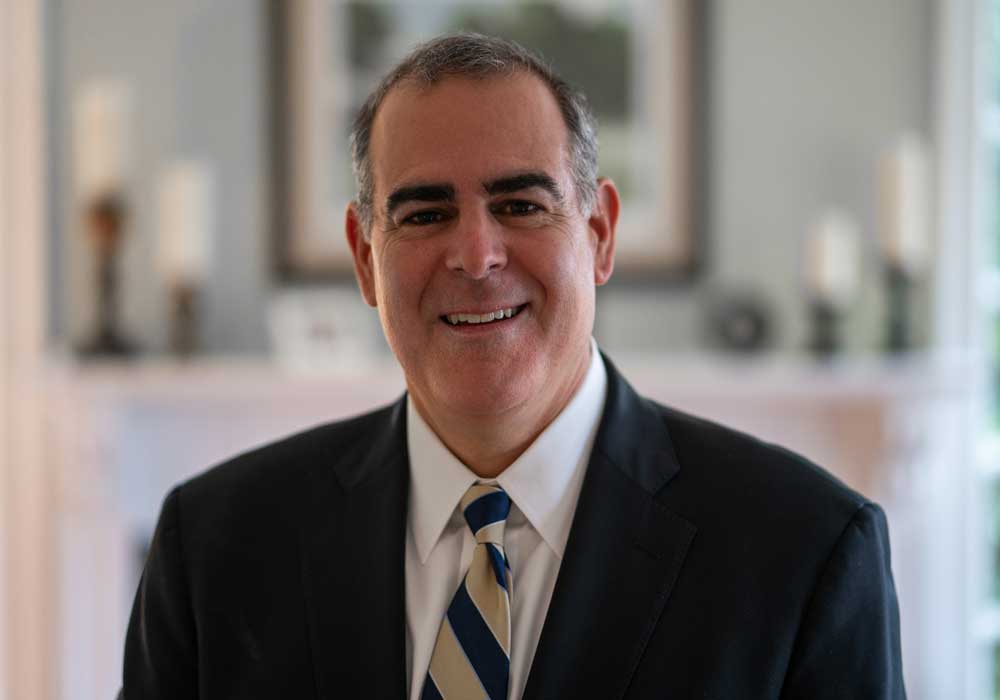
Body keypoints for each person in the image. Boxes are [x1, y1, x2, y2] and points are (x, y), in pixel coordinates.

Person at [120, 33, 905, 699]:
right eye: (425, 213)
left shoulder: (804, 551)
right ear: (365, 258)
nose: (476, 253)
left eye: (521, 204)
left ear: (598, 232)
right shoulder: (214, 550)